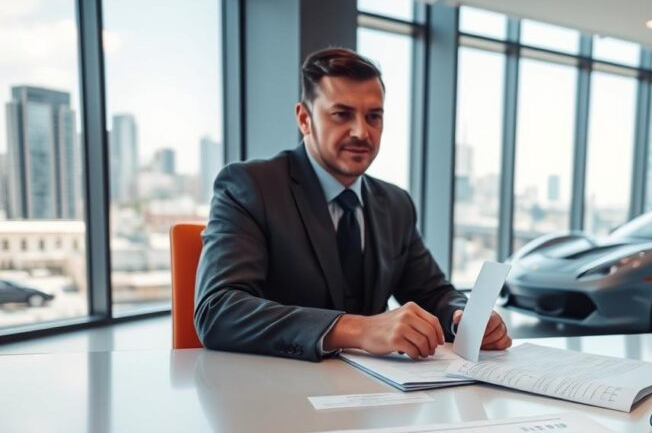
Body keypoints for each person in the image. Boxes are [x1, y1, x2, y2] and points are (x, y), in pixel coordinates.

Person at [194, 47, 511, 361]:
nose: (362, 132)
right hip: (278, 390)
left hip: (378, 394)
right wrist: (358, 329)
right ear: (305, 119)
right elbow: (218, 309)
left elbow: (432, 294)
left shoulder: (396, 204)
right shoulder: (251, 187)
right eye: (341, 114)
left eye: (374, 116)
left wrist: (466, 318)